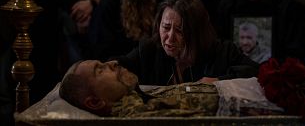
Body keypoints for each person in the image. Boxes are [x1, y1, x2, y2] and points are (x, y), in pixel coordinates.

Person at [119, 0, 259, 85]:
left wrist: (218, 81)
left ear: (197, 32)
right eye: (166, 27)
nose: (170, 37)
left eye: (180, 31)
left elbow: (256, 72)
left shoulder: (222, 52)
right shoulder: (149, 50)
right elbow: (118, 64)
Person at [59, 59, 220, 117]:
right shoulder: (140, 115)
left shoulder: (137, 98)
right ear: (95, 102)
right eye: (100, 70)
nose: (113, 62)